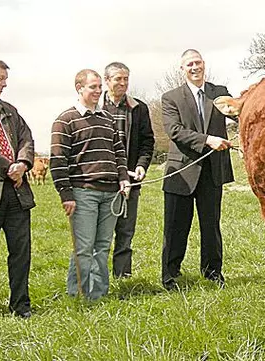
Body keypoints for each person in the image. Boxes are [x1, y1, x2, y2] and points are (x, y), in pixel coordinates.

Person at [50, 69, 131, 300]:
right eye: (93, 87)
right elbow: (57, 161)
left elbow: (119, 153)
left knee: (103, 247)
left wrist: (123, 178)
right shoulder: (65, 120)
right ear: (79, 88)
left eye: (99, 87)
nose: (98, 91)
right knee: (83, 249)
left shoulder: (107, 118)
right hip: (83, 193)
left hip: (111, 193)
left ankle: (98, 295)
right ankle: (78, 296)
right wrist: (66, 194)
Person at [160, 49, 234, 290]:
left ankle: (213, 273)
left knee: (211, 225)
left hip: (213, 171)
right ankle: (171, 276)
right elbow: (175, 130)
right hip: (180, 173)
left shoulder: (219, 93)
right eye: (189, 64)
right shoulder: (171, 98)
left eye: (198, 63)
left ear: (204, 64)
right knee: (175, 227)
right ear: (182, 69)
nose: (195, 67)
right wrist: (207, 140)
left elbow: (240, 114)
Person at [0, 58, 35, 318]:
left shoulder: (10, 110)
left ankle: (21, 306)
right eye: (0, 79)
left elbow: (27, 138)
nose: (5, 84)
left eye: (6, 79)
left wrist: (24, 163)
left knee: (21, 253)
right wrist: (9, 167)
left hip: (17, 194)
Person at [100, 62, 155, 279]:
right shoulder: (96, 107)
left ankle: (122, 276)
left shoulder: (138, 108)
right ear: (107, 81)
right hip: (101, 180)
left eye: (125, 79)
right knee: (100, 234)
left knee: (125, 231)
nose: (122, 83)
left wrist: (141, 165)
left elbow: (147, 142)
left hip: (130, 180)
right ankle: (98, 277)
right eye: (117, 79)